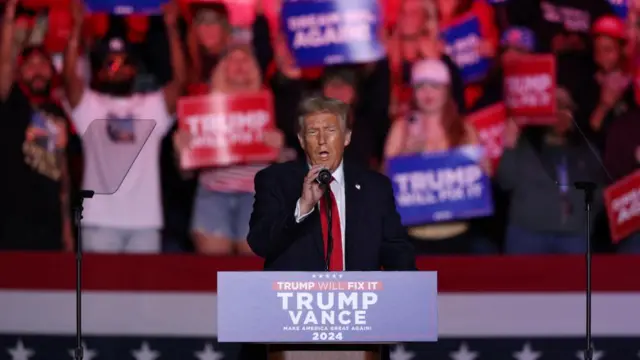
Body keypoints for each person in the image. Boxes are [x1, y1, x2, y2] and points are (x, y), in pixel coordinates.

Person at [247, 96, 416, 271]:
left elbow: (397, 253)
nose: (322, 140)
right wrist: (302, 208)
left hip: (356, 296)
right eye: (313, 132)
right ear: (302, 140)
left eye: (330, 130)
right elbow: (260, 244)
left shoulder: (375, 187)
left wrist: (410, 290)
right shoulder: (275, 180)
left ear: (347, 138)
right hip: (296, 296)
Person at [0, 0, 74, 251]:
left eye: (42, 64)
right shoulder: (10, 104)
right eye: (29, 66)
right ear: (19, 75)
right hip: (11, 226)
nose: (37, 71)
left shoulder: (58, 112)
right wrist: (10, 16)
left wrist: (67, 230)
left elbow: (62, 174)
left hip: (49, 228)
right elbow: (5, 64)